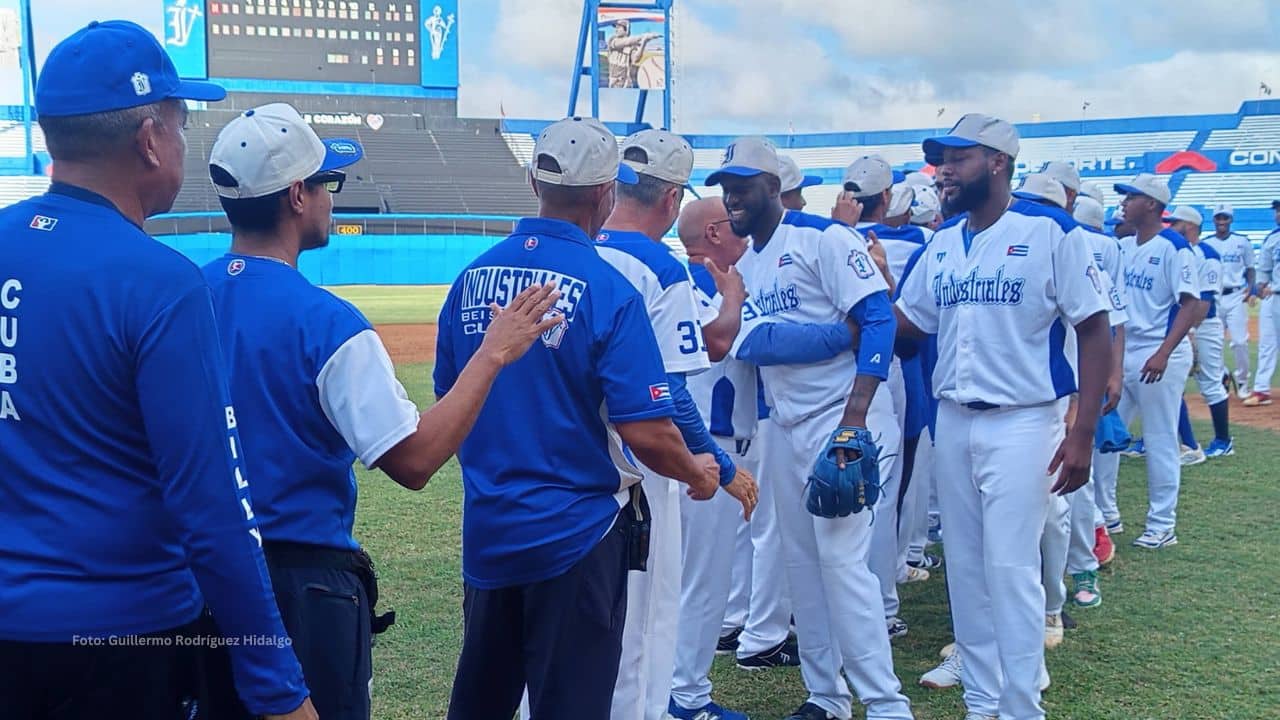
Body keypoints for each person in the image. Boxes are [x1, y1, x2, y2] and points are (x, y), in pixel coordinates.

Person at [202, 103, 564, 720]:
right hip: (301, 585)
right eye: (328, 182)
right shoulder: (325, 321)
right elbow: (414, 460)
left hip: (199, 575)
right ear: (297, 195)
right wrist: (493, 354)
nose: (331, 198)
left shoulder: (184, 296)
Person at [0, 20, 315, 720]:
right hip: (121, 645)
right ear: (149, 140)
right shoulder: (159, 282)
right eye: (179, 125)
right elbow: (213, 509)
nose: (181, 142)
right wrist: (279, 688)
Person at [437, 117, 721, 720]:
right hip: (577, 535)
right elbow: (647, 429)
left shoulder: (470, 279)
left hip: (490, 527)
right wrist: (696, 471)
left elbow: (450, 400)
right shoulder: (608, 289)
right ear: (605, 193)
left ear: (533, 183)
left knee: (484, 702)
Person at [894, 114, 1113, 720]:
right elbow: (910, 323)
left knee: (1011, 566)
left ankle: (1020, 706)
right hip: (954, 417)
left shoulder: (1049, 230)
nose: (944, 171)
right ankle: (982, 701)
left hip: (1024, 419)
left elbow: (1095, 327)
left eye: (958, 158)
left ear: (998, 162)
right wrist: (855, 309)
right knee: (965, 568)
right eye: (941, 160)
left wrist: (1083, 432)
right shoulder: (943, 240)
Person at [710, 137, 913, 720]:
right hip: (787, 426)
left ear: (773, 187)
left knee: (842, 564)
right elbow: (756, 343)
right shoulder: (746, 266)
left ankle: (886, 704)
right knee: (802, 566)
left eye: (743, 186)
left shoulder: (824, 239)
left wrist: (855, 420)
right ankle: (826, 695)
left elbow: (878, 318)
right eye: (726, 188)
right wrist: (831, 337)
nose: (733, 198)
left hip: (843, 416)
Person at [592, 129, 758, 720]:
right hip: (641, 465)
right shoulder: (657, 266)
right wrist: (719, 465)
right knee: (643, 621)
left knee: (578, 625)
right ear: (670, 198)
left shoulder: (578, 250)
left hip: (567, 464)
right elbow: (672, 393)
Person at [678, 199, 804, 679]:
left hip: (720, 441)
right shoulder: (699, 281)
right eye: (734, 224)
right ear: (713, 232)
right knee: (698, 580)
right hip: (706, 444)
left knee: (707, 574)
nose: (746, 232)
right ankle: (685, 693)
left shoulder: (712, 278)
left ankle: (688, 679)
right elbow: (742, 342)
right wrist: (843, 333)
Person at [1109, 174, 1205, 549]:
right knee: (1108, 436)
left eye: (1130, 197)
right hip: (1125, 350)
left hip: (1158, 352)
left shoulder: (1174, 247)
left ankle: (1162, 524)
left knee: (1160, 437)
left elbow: (1191, 304)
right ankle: (1106, 515)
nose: (1123, 203)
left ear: (1151, 204)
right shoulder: (1124, 245)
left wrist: (1164, 352)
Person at [1167, 206, 1234, 458]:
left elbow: (1204, 302)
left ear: (1190, 226)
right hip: (1179, 325)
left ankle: (1223, 441)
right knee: (1170, 384)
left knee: (1210, 383)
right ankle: (1165, 439)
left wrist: (1189, 330)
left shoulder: (1208, 255)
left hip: (1204, 327)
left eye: (1176, 222)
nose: (1171, 227)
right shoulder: (1175, 251)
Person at [1201, 203, 1256, 398]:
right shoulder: (1207, 243)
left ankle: (1242, 381)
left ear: (1231, 219)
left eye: (1225, 217)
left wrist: (1251, 288)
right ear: (1214, 220)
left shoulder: (1242, 242)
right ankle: (1221, 376)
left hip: (1235, 295)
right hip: (1214, 297)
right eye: (1218, 217)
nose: (1222, 221)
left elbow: (1250, 268)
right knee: (1213, 343)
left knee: (1240, 342)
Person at [1248, 199, 1280, 406]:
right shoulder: (1272, 239)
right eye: (1277, 210)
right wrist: (1259, 287)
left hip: (1275, 291)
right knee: (1267, 343)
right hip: (1272, 297)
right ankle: (1261, 389)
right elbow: (1265, 268)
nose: (1278, 214)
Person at [607, 19, 659, 88]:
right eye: (615, 28)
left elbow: (635, 59)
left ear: (626, 30)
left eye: (618, 28)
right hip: (614, 81)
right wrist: (643, 36)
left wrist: (644, 42)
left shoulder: (632, 45)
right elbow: (626, 42)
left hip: (626, 82)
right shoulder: (613, 40)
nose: (616, 30)